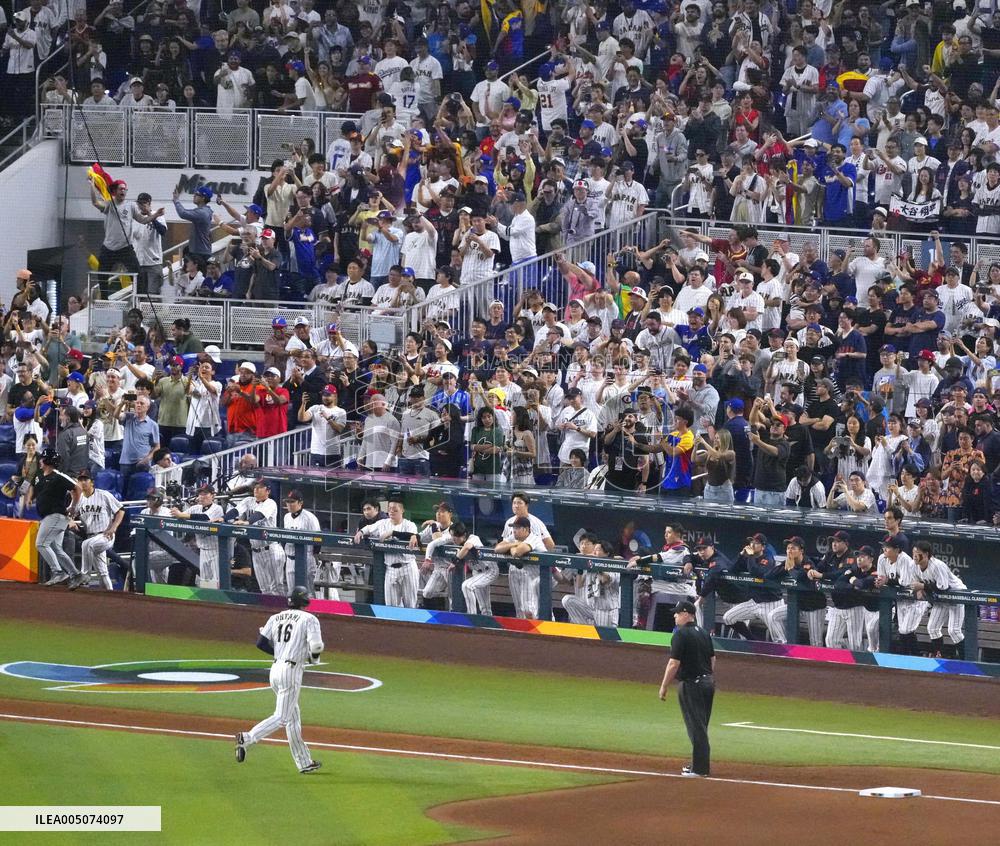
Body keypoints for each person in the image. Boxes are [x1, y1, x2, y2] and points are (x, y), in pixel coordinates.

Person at [235, 585, 324, 774]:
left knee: (293, 717)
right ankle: (247, 737)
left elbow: (260, 643)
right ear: (304, 600)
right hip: (290, 672)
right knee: (282, 718)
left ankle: (304, 762)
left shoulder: (275, 617)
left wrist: (280, 653)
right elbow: (316, 646)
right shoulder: (310, 619)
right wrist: (314, 660)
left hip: (275, 670)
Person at [658, 599, 715, 778]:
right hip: (708, 683)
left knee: (696, 727)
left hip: (692, 685)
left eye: (677, 612)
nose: (675, 616)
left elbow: (673, 663)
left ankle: (699, 769)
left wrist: (664, 686)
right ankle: (697, 765)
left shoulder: (680, 635)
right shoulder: (704, 633)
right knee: (701, 726)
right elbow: (713, 659)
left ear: (686, 614)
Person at [35, 450, 84, 588]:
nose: (40, 461)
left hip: (56, 516)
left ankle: (58, 572)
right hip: (49, 517)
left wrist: (73, 507)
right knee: (56, 548)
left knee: (41, 544)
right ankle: (76, 574)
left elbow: (77, 489)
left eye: (42, 459)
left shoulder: (58, 476)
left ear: (47, 461)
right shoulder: (41, 476)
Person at [69, 470, 125, 591]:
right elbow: (70, 514)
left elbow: (121, 510)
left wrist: (114, 527)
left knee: (86, 545)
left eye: (85, 479)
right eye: (80, 480)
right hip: (91, 536)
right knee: (102, 572)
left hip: (105, 535)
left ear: (92, 482)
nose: (83, 482)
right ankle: (110, 594)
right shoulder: (78, 499)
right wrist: (71, 520)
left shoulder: (104, 495)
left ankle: (85, 575)